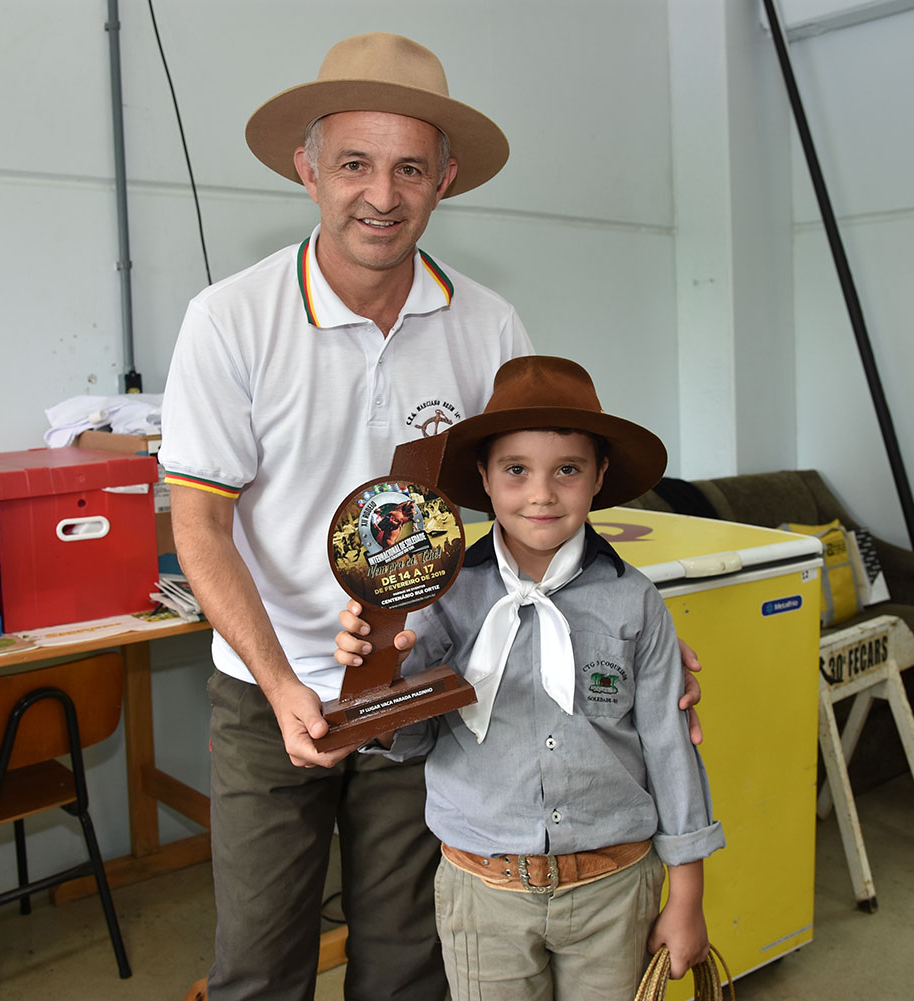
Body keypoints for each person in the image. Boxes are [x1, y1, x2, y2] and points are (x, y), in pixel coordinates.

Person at [160, 33, 702, 1001]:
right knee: (258, 964)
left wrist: (632, 634)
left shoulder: (488, 326)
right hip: (269, 691)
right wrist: (284, 682)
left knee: (413, 964)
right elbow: (199, 526)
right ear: (308, 170)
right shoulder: (229, 319)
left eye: (410, 167)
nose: (382, 193)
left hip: (437, 686)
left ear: (446, 178)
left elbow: (536, 507)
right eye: (355, 164)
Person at [335, 356, 724, 999]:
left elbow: (669, 747)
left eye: (567, 470)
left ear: (599, 476)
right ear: (484, 478)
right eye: (516, 471)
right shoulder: (437, 594)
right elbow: (411, 736)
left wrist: (688, 897)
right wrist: (375, 677)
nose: (541, 494)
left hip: (614, 886)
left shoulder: (636, 601)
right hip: (482, 890)